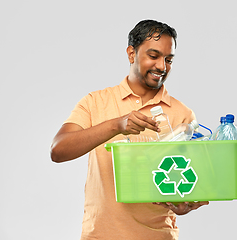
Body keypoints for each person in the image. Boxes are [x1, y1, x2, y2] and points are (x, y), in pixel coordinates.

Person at [50, 19, 209, 240]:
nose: (162, 67)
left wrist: (186, 204)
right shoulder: (95, 102)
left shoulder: (183, 115)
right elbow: (58, 150)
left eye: (168, 59)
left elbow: (192, 183)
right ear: (131, 53)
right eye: (153, 56)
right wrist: (116, 125)